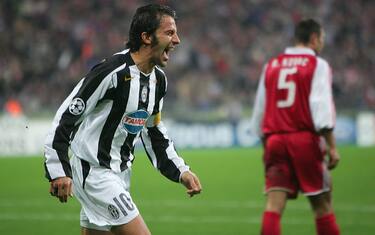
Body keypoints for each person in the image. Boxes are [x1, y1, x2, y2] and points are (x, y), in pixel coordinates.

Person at [44, 4, 202, 235]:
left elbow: (154, 131)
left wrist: (181, 170)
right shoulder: (111, 72)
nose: (177, 40)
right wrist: (58, 169)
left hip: (119, 174)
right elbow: (66, 116)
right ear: (146, 37)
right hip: (94, 173)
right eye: (169, 33)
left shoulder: (159, 81)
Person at [250, 19, 340, 235]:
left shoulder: (271, 65)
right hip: (304, 140)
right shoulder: (317, 64)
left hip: (274, 141)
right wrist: (332, 146)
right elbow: (321, 107)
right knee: (322, 205)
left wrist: (267, 144)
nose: (322, 45)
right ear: (314, 39)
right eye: (322, 40)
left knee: (274, 206)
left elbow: (259, 113)